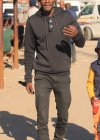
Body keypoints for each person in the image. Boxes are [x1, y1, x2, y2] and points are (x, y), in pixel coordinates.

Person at [24, 0, 85, 139]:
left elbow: (81, 43)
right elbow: (29, 50)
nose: (46, 1)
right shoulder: (32, 21)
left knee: (63, 116)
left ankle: (58, 137)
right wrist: (28, 77)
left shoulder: (67, 17)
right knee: (42, 119)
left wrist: (76, 35)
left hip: (62, 75)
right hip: (42, 75)